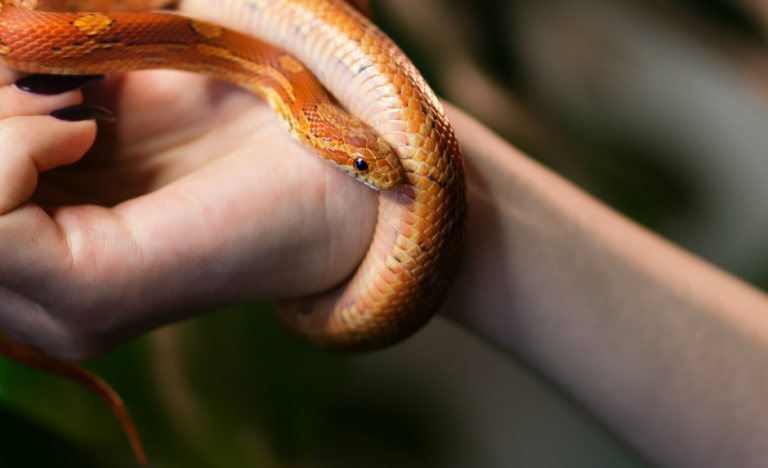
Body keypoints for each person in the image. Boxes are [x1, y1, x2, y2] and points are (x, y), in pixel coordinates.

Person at [1, 65, 767, 468]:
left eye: (369, 163)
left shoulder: (304, 101)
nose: (380, 174)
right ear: (331, 141)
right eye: (364, 165)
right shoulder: (285, 98)